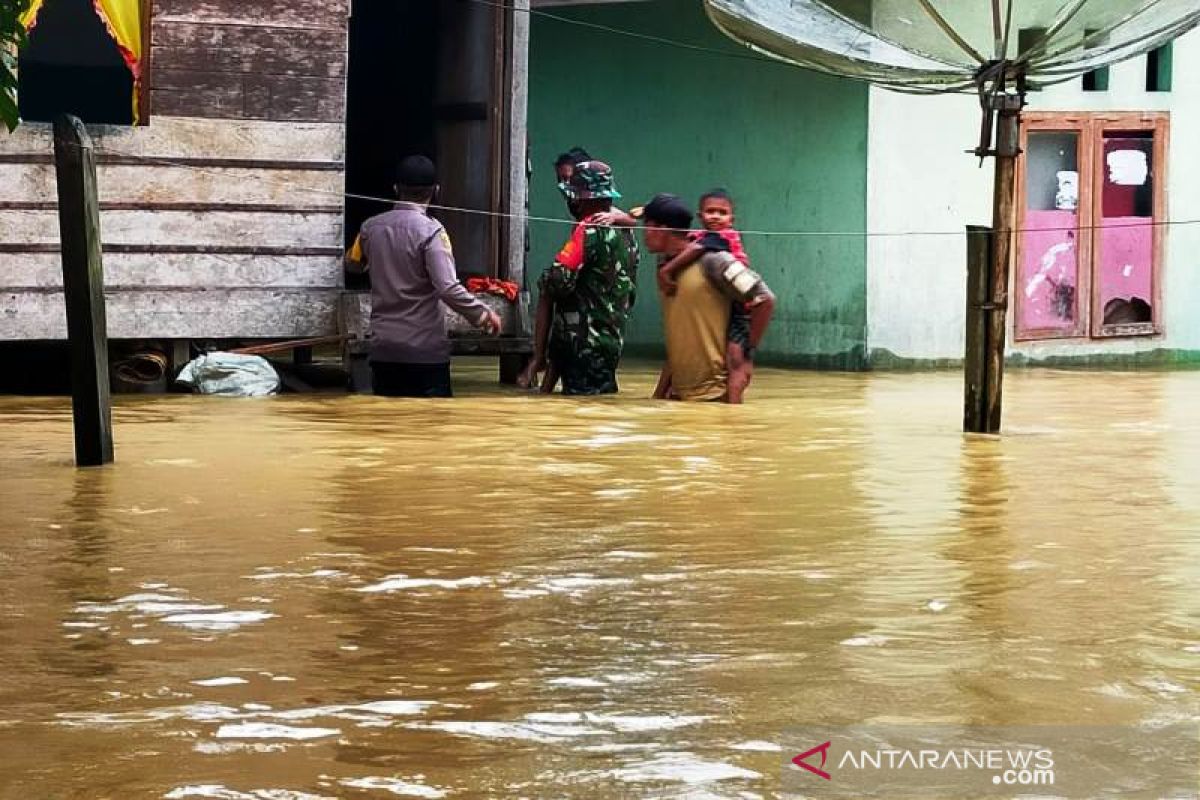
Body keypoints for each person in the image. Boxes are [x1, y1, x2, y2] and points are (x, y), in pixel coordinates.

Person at [345, 155, 501, 398]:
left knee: (387, 427)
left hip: (384, 351)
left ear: (396, 189)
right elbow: (447, 287)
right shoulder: (433, 233)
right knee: (431, 430)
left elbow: (352, 264)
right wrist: (482, 314)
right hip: (425, 354)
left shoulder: (369, 228)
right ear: (435, 191)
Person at [639, 194, 774, 403]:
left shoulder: (714, 261)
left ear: (660, 229)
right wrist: (658, 396)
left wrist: (748, 353)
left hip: (715, 400)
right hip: (681, 401)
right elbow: (679, 336)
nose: (644, 234)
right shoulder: (665, 267)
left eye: (646, 227)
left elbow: (764, 299)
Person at [529, 161, 640, 396]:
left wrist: (546, 278)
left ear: (582, 198)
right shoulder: (628, 234)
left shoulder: (588, 230)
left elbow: (557, 281)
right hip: (611, 341)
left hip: (583, 345)